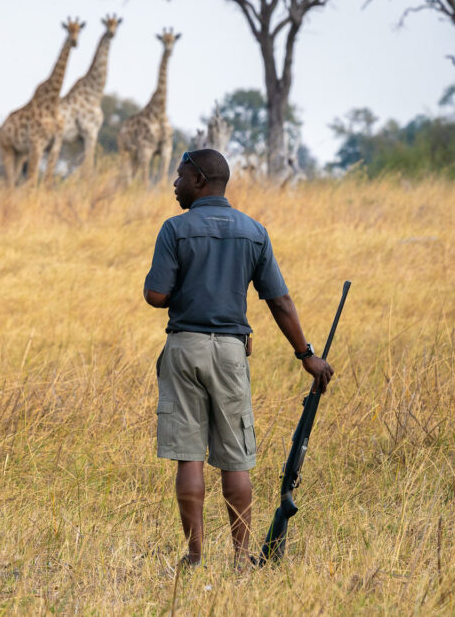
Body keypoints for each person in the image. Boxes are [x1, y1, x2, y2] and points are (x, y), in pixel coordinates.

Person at [143, 149, 334, 569]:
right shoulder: (254, 231)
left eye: (179, 177)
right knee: (235, 457)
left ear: (198, 179)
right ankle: (241, 556)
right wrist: (307, 355)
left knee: (189, 455)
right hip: (231, 352)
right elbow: (279, 300)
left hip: (184, 347)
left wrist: (190, 294)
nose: (174, 184)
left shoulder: (174, 229)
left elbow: (156, 295)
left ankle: (194, 558)